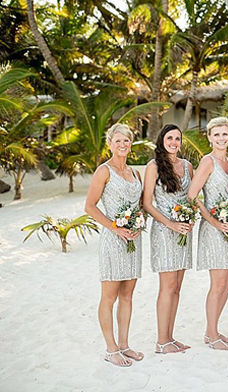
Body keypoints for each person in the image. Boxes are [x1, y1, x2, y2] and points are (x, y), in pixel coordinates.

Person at [84, 124, 144, 367]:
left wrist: (138, 225)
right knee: (109, 297)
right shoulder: (103, 170)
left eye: (126, 141)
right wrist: (115, 227)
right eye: (118, 141)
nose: (122, 145)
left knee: (127, 295)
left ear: (131, 143)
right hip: (113, 239)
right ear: (110, 143)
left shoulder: (135, 173)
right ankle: (110, 349)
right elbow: (89, 206)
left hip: (133, 240)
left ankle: (124, 344)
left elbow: (139, 207)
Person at [187, 117, 228, 351]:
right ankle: (211, 334)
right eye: (216, 135)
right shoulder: (207, 162)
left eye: (224, 134)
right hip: (213, 227)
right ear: (209, 137)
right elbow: (192, 195)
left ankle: (213, 329)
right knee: (218, 283)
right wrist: (213, 221)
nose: (221, 138)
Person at [142, 124, 194, 354]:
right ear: (162, 139)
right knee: (167, 286)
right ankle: (162, 341)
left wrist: (190, 218)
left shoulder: (188, 166)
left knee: (177, 287)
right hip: (164, 231)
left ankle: (170, 337)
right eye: (170, 138)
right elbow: (147, 204)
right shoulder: (153, 167)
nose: (174, 142)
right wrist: (171, 223)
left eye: (178, 138)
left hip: (184, 231)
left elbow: (192, 198)